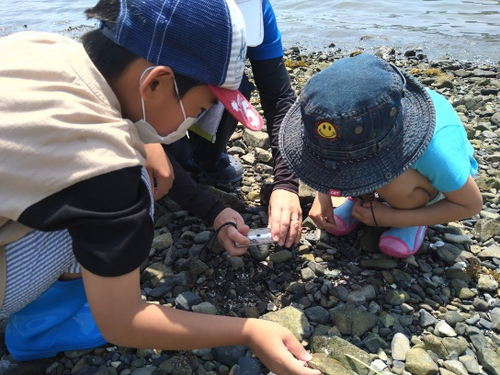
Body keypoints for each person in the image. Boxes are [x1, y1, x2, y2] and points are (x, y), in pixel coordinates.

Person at [0, 0, 321, 373]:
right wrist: (251, 331)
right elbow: (125, 323)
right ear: (155, 82)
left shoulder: (43, 47)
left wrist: (210, 208)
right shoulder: (107, 163)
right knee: (137, 181)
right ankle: (39, 330)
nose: (196, 122)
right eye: (201, 109)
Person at [278, 53, 483, 258]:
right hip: (376, 155)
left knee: (394, 182)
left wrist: (394, 217)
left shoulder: (436, 147)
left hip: (427, 182)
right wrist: (323, 195)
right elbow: (329, 155)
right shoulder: (339, 120)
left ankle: (414, 217)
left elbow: (470, 204)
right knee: (353, 163)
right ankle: (360, 200)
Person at [165, 0, 303, 249]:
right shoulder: (140, 20)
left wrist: (286, 183)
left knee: (235, 85)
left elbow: (279, 96)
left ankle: (202, 159)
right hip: (137, 111)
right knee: (142, 161)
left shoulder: (256, 8)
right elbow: (128, 124)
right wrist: (210, 209)